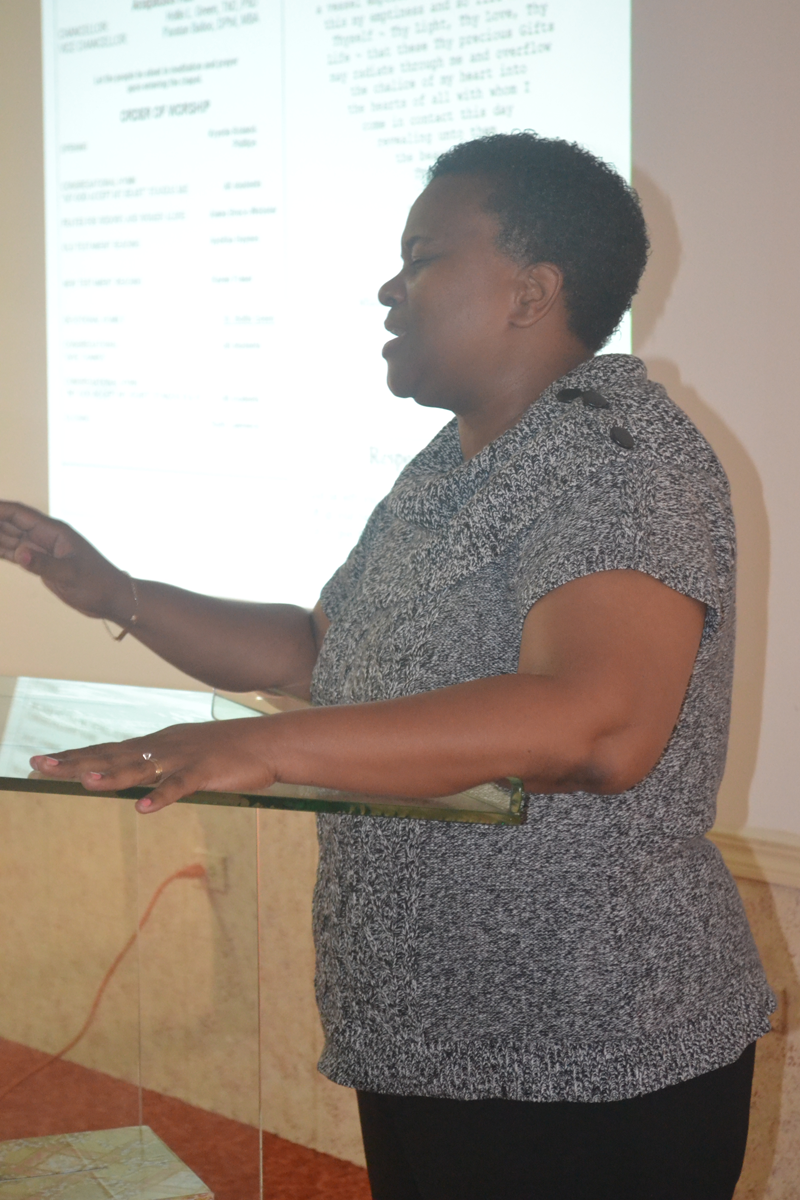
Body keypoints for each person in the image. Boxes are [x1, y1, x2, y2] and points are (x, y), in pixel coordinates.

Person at [0, 133, 774, 1199]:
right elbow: (326, 655)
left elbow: (595, 724)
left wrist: (265, 747)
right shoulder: (449, 465)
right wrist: (112, 591)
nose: (387, 289)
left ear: (531, 292)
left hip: (590, 1053)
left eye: (422, 259)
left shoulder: (619, 459)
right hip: (431, 1035)